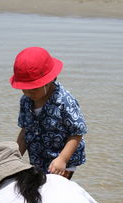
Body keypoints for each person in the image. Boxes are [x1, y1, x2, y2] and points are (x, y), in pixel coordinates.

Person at [10, 47, 87, 179]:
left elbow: (77, 132)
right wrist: (14, 157)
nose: (28, 93)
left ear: (50, 79)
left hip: (63, 158)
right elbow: (25, 131)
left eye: (34, 89)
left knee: (55, 191)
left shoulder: (64, 101)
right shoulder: (26, 101)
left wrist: (62, 159)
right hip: (38, 157)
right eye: (25, 89)